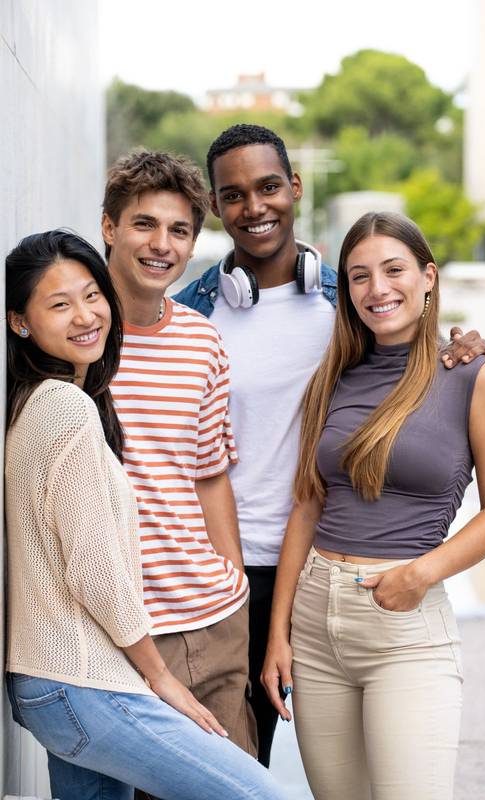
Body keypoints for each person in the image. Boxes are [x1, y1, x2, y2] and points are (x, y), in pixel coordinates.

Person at [174, 123, 485, 767]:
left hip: (310, 569)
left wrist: (465, 344)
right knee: (223, 771)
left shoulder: (345, 306)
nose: (254, 206)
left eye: (269, 186)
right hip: (213, 574)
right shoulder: (190, 315)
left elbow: (414, 347)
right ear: (216, 206)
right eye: (233, 195)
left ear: (295, 187)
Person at [4, 230, 286, 800]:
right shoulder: (65, 409)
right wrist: (159, 679)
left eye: (92, 295)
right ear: (20, 323)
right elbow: (95, 570)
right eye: (59, 304)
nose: (85, 316)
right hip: (84, 685)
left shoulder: (42, 400)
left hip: (54, 682)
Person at [261, 211, 485, 800]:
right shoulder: (334, 377)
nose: (377, 289)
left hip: (406, 625)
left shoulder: (476, 376)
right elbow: (308, 503)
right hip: (315, 620)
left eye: (393, 269)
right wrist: (279, 632)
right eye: (358, 276)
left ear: (428, 278)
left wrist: (419, 574)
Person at [100, 150, 257, 780]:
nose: (161, 245)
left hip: (211, 620)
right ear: (109, 227)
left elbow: (210, 472)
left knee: (237, 783)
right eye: (144, 224)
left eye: (180, 230)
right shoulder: (75, 337)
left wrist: (233, 581)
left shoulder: (202, 339)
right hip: (116, 629)